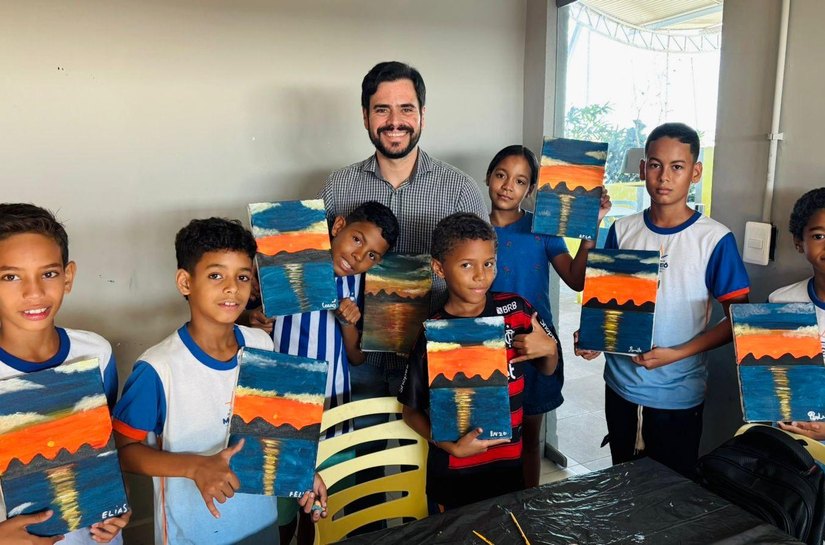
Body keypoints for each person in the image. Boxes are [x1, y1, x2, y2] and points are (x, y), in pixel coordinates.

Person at [112, 218, 327, 545]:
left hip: (260, 522)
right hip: (195, 533)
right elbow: (124, 450)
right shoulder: (158, 368)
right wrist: (195, 467)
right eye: (216, 275)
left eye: (242, 276)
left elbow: (274, 430)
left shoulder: (261, 344)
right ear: (185, 282)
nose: (232, 288)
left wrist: (299, 469)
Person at [575, 123, 750, 477]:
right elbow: (605, 303)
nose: (664, 177)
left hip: (679, 394)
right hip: (620, 388)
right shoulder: (622, 230)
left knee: (670, 496)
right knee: (621, 483)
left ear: (695, 172)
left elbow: (739, 322)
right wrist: (594, 338)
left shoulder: (714, 239)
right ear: (643, 169)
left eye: (677, 167)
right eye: (655, 165)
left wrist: (678, 353)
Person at [320, 60, 487, 400]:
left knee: (429, 453)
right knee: (362, 451)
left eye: (406, 109)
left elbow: (482, 278)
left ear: (422, 115)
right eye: (382, 110)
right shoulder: (338, 187)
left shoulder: (461, 190)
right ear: (365, 116)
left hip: (434, 353)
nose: (394, 121)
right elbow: (313, 263)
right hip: (354, 354)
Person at [247, 202, 399, 544]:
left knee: (321, 503)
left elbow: (357, 357)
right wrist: (254, 319)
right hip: (280, 407)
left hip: (334, 409)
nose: (359, 257)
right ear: (338, 225)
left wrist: (349, 324)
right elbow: (248, 327)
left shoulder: (359, 285)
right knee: (281, 504)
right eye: (357, 240)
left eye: (372, 255)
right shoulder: (283, 263)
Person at [398, 212, 559, 510]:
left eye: (488, 263)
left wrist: (550, 350)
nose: (480, 275)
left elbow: (548, 368)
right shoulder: (432, 334)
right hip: (452, 477)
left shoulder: (517, 311)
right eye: (466, 265)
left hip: (509, 468)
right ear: (439, 268)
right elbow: (410, 412)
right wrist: (448, 445)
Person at [0, 203, 129, 545]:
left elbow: (107, 444)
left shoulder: (96, 353)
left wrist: (118, 505)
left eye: (49, 273)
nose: (34, 292)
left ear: (68, 276)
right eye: (10, 276)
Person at [486, 145, 611, 487]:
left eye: (520, 181)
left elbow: (575, 279)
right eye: (501, 175)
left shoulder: (542, 229)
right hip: (488, 345)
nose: (508, 186)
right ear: (488, 177)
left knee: (529, 438)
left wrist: (590, 231)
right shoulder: (474, 230)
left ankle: (528, 507)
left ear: (530, 190)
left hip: (537, 344)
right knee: (491, 438)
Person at [771, 187, 825, 441]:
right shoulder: (781, 302)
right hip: (790, 443)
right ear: (798, 242)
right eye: (818, 235)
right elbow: (773, 381)